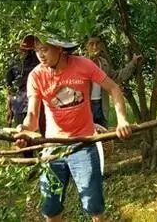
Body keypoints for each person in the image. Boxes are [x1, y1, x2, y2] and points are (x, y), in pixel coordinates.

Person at [15, 34, 132, 222]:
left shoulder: (83, 65)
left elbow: (114, 88)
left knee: (94, 205)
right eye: (37, 50)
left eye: (44, 49)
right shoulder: (36, 75)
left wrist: (122, 120)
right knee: (50, 206)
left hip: (84, 144)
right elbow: (33, 116)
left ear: (59, 48)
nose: (40, 55)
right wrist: (24, 131)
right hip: (53, 147)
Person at [85, 36, 142, 128]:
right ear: (86, 46)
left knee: (103, 133)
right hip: (86, 106)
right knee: (87, 135)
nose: (95, 47)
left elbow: (116, 76)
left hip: (101, 104)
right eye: (91, 44)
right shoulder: (81, 63)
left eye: (97, 43)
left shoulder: (103, 63)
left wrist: (133, 63)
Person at [5, 41, 40, 127]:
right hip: (20, 104)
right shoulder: (14, 63)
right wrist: (9, 108)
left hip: (35, 104)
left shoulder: (39, 61)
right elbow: (9, 87)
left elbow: (9, 88)